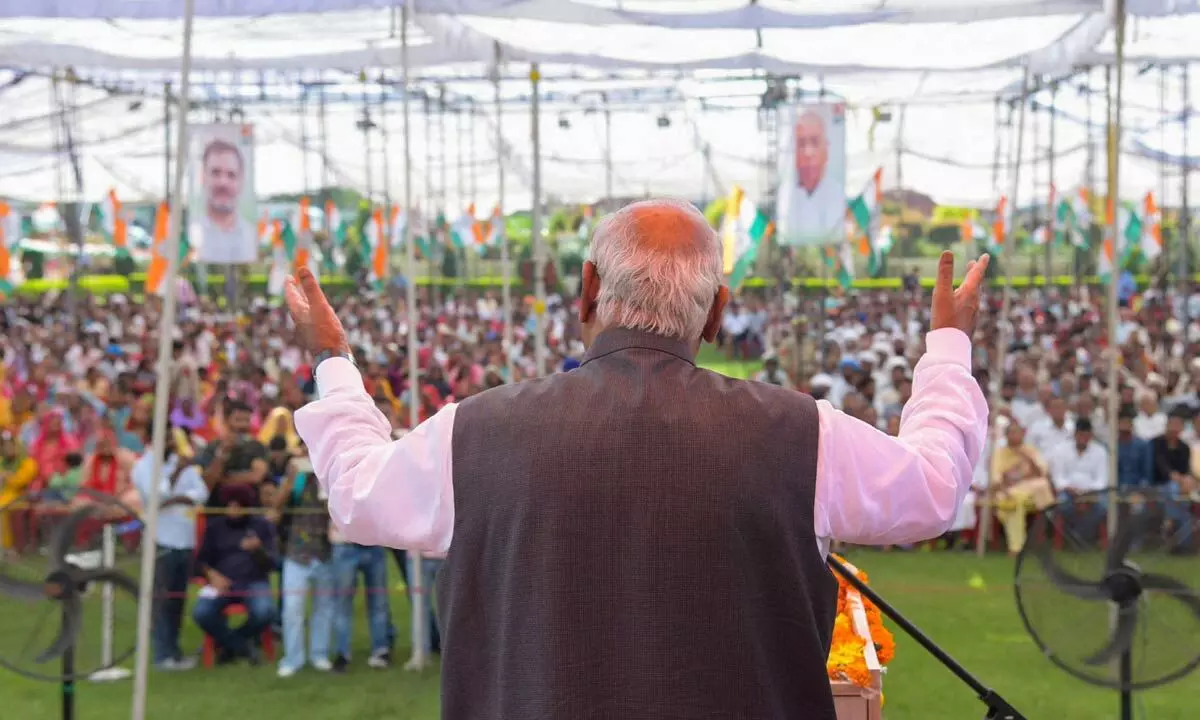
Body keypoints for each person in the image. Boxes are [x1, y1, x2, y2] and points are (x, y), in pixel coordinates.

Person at [286, 198, 989, 720]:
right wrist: (948, 349)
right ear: (717, 312)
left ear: (588, 290)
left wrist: (332, 360)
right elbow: (932, 488)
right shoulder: (803, 433)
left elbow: (358, 493)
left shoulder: (472, 432)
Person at [132, 439, 208, 670]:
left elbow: (201, 493)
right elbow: (159, 495)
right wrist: (176, 477)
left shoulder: (180, 463)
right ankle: (162, 654)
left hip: (184, 540)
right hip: (161, 540)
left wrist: (182, 496)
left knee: (177, 600)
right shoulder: (144, 466)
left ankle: (174, 652)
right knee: (161, 600)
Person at [192, 483, 277, 664]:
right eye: (230, 506)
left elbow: (272, 564)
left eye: (238, 506)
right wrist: (212, 575)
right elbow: (199, 561)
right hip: (221, 583)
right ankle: (242, 647)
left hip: (254, 581)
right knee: (201, 612)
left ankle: (227, 645)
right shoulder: (215, 527)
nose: (234, 510)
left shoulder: (262, 526)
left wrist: (258, 550)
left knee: (265, 612)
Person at [989, 420, 1056, 555]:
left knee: (1041, 485)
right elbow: (996, 480)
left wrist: (1027, 458)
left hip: (1030, 492)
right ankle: (1016, 548)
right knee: (1014, 501)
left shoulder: (1030, 450)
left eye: (1018, 432)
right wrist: (1004, 488)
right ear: (1006, 436)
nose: (1015, 436)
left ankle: (1020, 546)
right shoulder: (1000, 453)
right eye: (1012, 433)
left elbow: (1042, 473)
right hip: (1007, 491)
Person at [778, 109, 845, 243]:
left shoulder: (837, 194)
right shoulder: (784, 195)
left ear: (826, 149)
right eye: (802, 144)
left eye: (814, 142)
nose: (808, 153)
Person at [193, 138, 256, 265]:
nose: (223, 182)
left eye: (231, 175)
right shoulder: (192, 232)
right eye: (216, 173)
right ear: (203, 177)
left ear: (241, 182)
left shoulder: (250, 236)